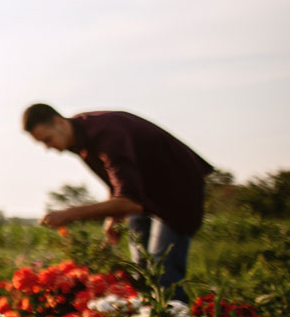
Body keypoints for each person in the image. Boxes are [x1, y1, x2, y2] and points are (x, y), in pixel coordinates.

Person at [21, 103, 212, 296]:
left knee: (163, 274)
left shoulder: (106, 133)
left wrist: (69, 214)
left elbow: (129, 200)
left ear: (59, 122)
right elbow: (119, 182)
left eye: (47, 139)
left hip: (176, 192)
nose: (47, 147)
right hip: (145, 195)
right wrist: (114, 216)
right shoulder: (79, 139)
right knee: (141, 273)